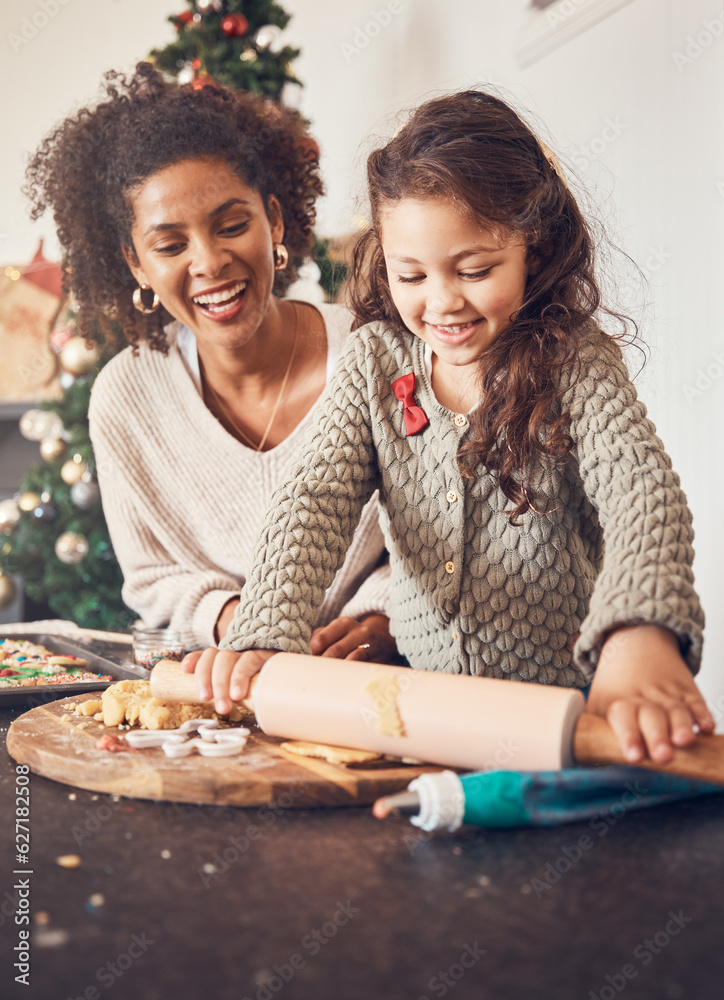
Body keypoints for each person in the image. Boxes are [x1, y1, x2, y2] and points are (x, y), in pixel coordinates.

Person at [186, 89, 715, 766]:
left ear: (537, 244)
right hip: (421, 723)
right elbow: (313, 499)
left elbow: (642, 493)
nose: (441, 303)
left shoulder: (575, 360)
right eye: (412, 275)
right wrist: (266, 629)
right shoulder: (374, 364)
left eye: (475, 270)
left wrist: (638, 630)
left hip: (568, 724)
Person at [24, 62, 394, 660]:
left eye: (231, 225)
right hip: (220, 687)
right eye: (170, 245)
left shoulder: (376, 355)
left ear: (273, 219)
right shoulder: (126, 397)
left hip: (374, 674)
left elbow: (441, 535)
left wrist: (382, 619)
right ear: (137, 263)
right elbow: (152, 578)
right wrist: (240, 625)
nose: (210, 261)